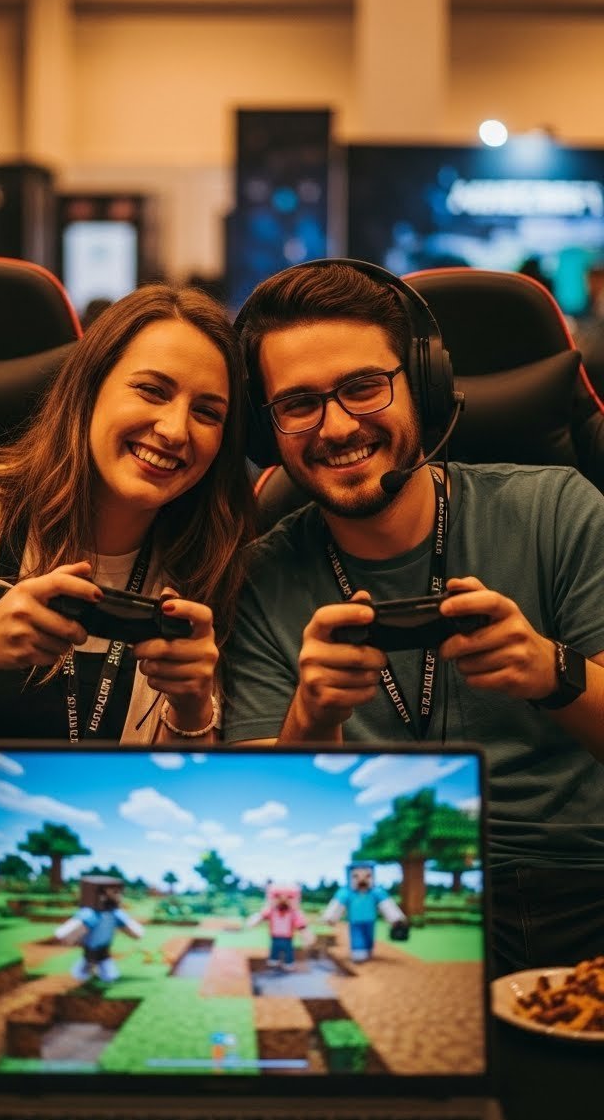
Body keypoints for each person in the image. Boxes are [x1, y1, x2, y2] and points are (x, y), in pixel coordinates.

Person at [0, 283, 256, 965]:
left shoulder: (204, 570)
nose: (176, 429)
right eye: (152, 390)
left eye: (207, 412)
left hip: (56, 914)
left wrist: (189, 706)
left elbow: (179, 825)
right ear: (86, 391)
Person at [223, 258, 604, 977]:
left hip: (584, 876)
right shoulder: (259, 578)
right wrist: (311, 717)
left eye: (364, 387)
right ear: (265, 427)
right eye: (298, 404)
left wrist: (552, 671)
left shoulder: (559, 509)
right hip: (402, 908)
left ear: (422, 385)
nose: (336, 427)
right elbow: (267, 831)